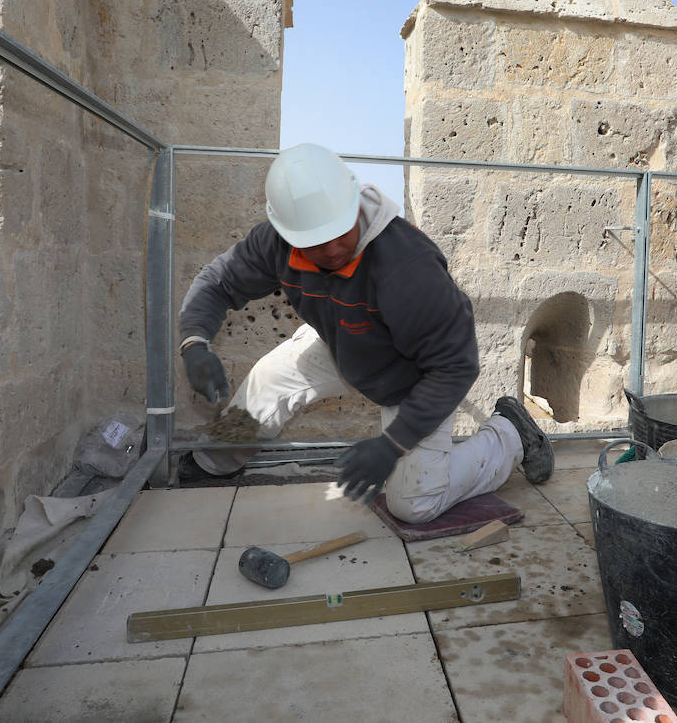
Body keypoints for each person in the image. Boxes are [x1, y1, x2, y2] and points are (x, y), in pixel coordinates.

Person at [176, 143, 553, 523]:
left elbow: (455, 366)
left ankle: (509, 435)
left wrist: (392, 445)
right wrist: (194, 343)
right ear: (288, 234)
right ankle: (215, 462)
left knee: (414, 506)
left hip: (412, 377)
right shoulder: (274, 244)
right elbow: (217, 281)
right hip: (343, 343)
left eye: (341, 229)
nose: (336, 246)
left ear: (354, 201)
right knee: (269, 381)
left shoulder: (407, 265)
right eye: (317, 242)